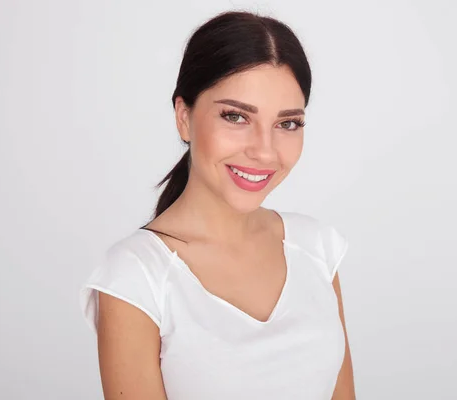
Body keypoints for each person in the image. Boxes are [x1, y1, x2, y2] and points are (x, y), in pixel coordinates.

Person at [79, 10, 355, 400]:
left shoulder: (316, 248)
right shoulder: (137, 276)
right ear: (184, 117)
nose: (264, 150)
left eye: (287, 123)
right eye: (236, 116)